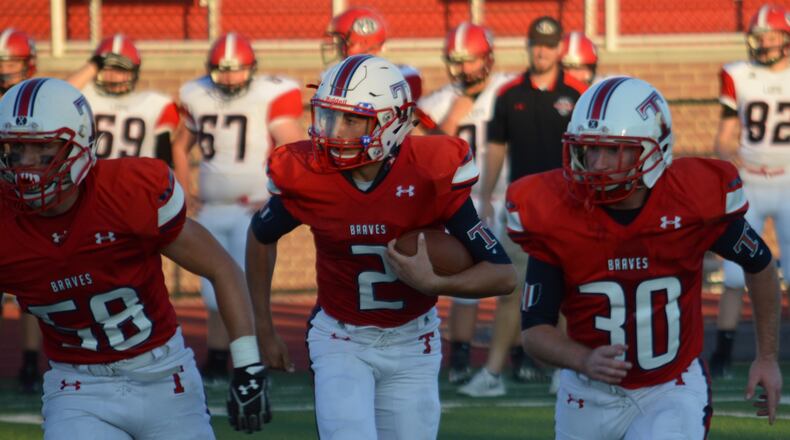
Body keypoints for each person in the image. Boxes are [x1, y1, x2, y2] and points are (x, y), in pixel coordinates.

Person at [246, 55, 516, 439]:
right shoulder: (309, 175)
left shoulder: (429, 170)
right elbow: (260, 237)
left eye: (351, 119)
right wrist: (264, 326)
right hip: (342, 339)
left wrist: (435, 284)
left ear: (390, 122)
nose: (332, 131)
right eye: (328, 116)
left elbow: (503, 274)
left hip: (413, 341)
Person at [509, 76, 783, 438]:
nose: (597, 162)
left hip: (670, 386)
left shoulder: (691, 199)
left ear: (653, 150)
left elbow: (761, 266)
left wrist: (766, 357)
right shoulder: (556, 212)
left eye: (613, 149)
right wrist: (583, 360)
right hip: (587, 391)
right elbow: (535, 332)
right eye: (589, 148)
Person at [0, 78, 269, 437]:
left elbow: (221, 267)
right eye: (16, 149)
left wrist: (249, 365)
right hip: (78, 388)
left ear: (78, 145)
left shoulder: (126, 192)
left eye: (43, 148)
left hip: (164, 376)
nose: (27, 165)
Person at [464, 16, 588, 397]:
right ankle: (492, 373)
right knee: (510, 289)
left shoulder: (579, 92)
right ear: (529, 45)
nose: (542, 50)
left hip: (568, 206)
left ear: (559, 48)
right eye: (537, 43)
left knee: (572, 293)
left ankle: (565, 371)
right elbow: (497, 148)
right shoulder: (509, 93)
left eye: (549, 44)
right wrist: (485, 195)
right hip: (524, 207)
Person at [172, 32, 303, 384]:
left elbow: (293, 145)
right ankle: (217, 360)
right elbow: (180, 146)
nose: (229, 78)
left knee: (246, 287)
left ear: (252, 69)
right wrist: (185, 190)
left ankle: (253, 361)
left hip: (250, 209)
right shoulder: (195, 94)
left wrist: (280, 192)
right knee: (213, 293)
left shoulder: (270, 93)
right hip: (213, 207)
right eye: (222, 71)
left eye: (236, 70)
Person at [417, 21, 515, 385]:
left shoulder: (508, 90)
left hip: (507, 194)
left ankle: (518, 353)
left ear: (487, 59)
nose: (462, 69)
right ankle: (459, 354)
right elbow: (424, 152)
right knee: (465, 278)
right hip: (462, 198)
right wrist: (454, 117)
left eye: (470, 61)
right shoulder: (440, 101)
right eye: (456, 61)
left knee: (514, 279)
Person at [710, 3, 790, 379]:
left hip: (789, 179)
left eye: (771, 35)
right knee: (732, 274)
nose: (765, 43)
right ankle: (722, 355)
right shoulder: (737, 74)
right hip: (752, 181)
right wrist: (728, 159)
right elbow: (725, 135)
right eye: (759, 37)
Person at [0, 27, 44, 393]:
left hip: (30, 198)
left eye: (12, 62)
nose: (5, 70)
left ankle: (32, 362)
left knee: (36, 287)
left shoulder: (42, 97)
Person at [66, 34, 180, 165]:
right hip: (93, 178)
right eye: (107, 69)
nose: (113, 76)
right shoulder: (86, 98)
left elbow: (164, 158)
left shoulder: (155, 104)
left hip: (134, 180)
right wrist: (95, 64)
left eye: (120, 70)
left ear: (133, 72)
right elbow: (61, 95)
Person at [321, 6, 422, 100]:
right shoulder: (402, 74)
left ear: (362, 42)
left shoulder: (405, 76)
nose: (337, 46)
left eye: (340, 40)